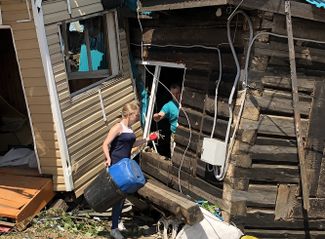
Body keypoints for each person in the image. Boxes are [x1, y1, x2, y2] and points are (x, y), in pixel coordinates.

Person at [102, 101, 149, 239]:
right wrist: (108, 159)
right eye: (136, 115)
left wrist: (147, 139)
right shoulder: (118, 127)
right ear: (129, 114)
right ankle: (114, 229)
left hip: (125, 164)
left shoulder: (129, 129)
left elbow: (132, 143)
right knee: (119, 196)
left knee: (122, 195)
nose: (137, 117)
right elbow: (105, 144)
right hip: (116, 164)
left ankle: (117, 222)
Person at [153, 84, 181, 157]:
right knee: (175, 156)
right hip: (175, 135)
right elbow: (161, 114)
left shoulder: (184, 103)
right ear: (171, 94)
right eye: (173, 94)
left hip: (185, 135)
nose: (176, 95)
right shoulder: (168, 105)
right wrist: (157, 117)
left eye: (178, 93)